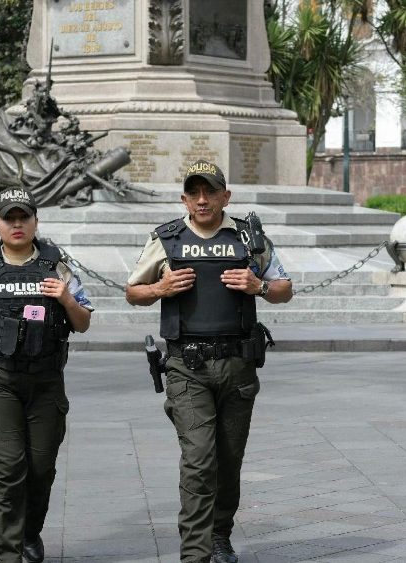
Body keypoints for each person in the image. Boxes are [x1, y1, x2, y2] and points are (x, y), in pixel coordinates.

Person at [125, 160, 293, 563]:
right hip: (187, 368)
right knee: (199, 460)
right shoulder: (167, 239)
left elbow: (285, 288)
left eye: (211, 191)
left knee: (228, 461)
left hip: (238, 366)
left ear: (225, 196)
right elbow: (133, 292)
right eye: (195, 192)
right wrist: (161, 287)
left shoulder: (248, 238)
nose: (203, 200)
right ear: (184, 198)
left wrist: (260, 286)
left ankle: (220, 533)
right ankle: (195, 553)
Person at [0, 187, 93, 563]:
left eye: (24, 216)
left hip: (45, 382)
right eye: (9, 218)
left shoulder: (57, 267)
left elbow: (83, 322)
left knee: (40, 469)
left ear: (35, 222)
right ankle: (8, 553)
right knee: (8, 470)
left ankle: (29, 533)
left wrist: (66, 298)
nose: (17, 224)